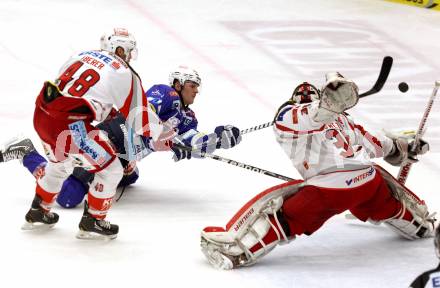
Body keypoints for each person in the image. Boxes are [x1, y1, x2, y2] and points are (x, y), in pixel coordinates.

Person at [199, 73, 436, 269]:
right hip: (368, 181)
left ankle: (236, 252)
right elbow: (378, 144)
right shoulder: (344, 119)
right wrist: (404, 147)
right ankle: (421, 226)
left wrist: (328, 108)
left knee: (283, 217)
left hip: (328, 190)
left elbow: (311, 116)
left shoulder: (289, 117)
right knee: (387, 205)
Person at [1, 66, 242, 208]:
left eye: (197, 86)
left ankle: (119, 170)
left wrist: (219, 139)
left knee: (128, 177)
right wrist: (170, 141)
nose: (196, 90)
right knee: (68, 197)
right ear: (178, 84)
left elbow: (194, 143)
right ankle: (25, 152)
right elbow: (142, 120)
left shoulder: (189, 117)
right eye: (192, 84)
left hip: (125, 155)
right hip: (107, 141)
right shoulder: (165, 93)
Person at [17, 28, 161, 240]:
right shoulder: (125, 72)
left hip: (42, 115)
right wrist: (159, 135)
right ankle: (93, 220)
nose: (130, 57)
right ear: (120, 50)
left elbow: (70, 89)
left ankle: (39, 211)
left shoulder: (81, 54)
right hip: (70, 127)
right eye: (129, 51)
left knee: (59, 165)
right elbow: (140, 119)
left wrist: (104, 109)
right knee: (111, 169)